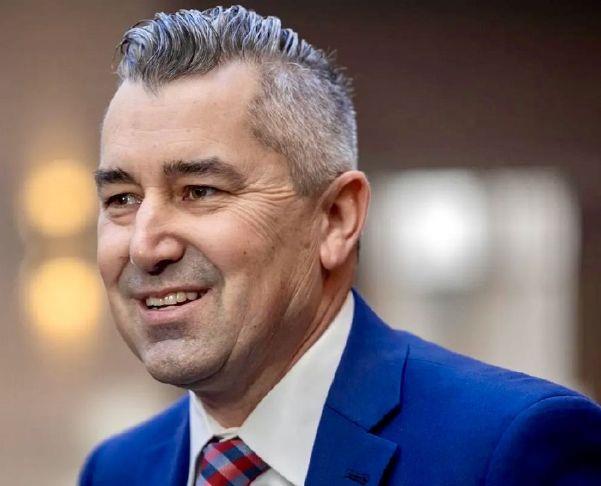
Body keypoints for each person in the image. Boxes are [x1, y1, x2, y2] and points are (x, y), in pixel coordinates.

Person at [80, 5, 601, 485]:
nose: (145, 246)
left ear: (336, 218)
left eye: (199, 191)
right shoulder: (117, 471)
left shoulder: (511, 450)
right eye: (121, 199)